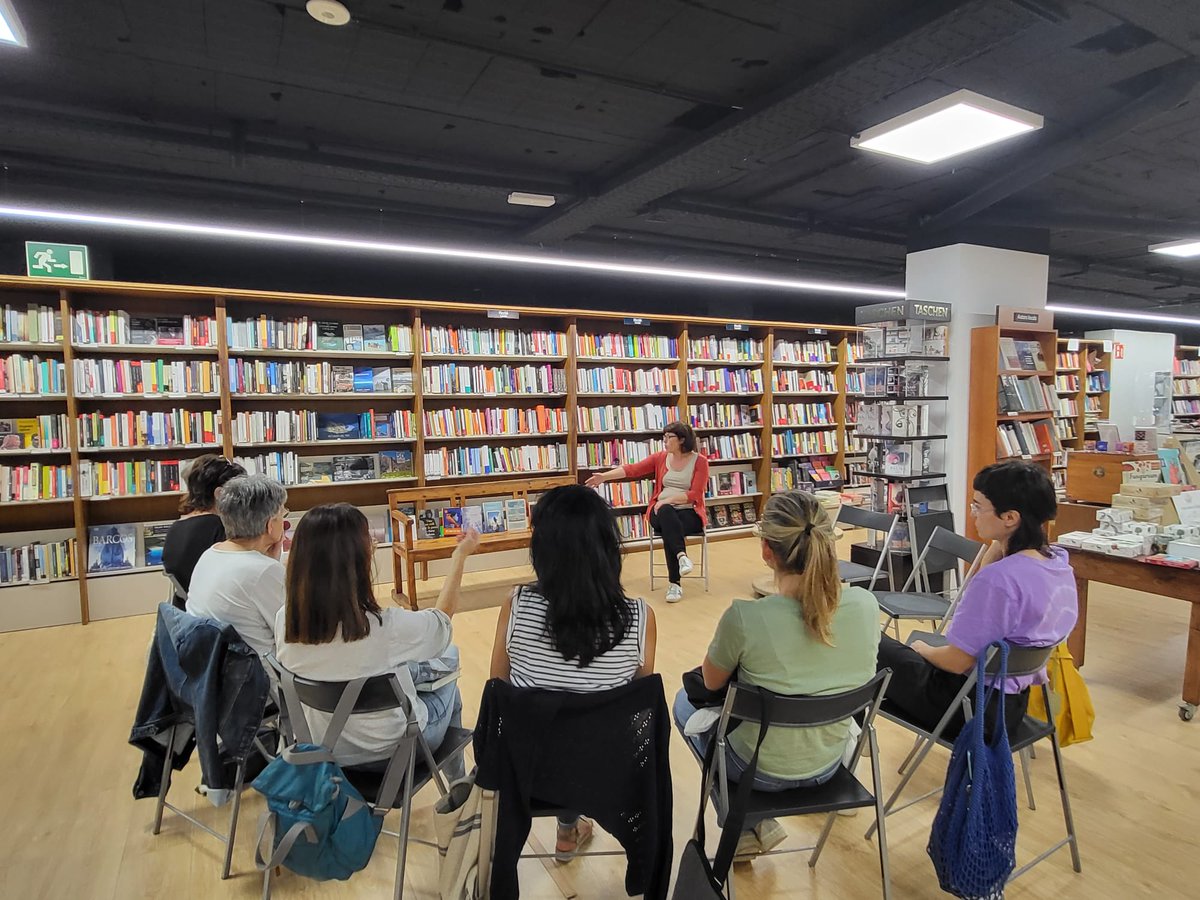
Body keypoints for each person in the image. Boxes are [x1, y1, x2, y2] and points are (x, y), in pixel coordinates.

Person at [673, 490, 880, 860]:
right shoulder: (866, 605)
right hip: (829, 763)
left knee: (683, 706)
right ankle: (751, 825)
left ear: (767, 551)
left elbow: (709, 683)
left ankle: (746, 823)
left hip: (756, 770)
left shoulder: (746, 617)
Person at [485, 484, 658, 863]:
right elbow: (637, 706)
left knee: (552, 725)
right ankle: (570, 827)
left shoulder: (515, 606)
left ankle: (567, 828)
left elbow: (498, 689)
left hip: (528, 772)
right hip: (607, 770)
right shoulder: (641, 618)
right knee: (585, 727)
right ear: (609, 549)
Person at [876, 460, 1079, 741]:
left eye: (978, 506)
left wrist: (921, 649)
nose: (973, 514)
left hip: (967, 707)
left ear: (1010, 517)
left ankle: (851, 736)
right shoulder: (1058, 564)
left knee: (871, 641)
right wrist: (1000, 543)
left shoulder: (1000, 580)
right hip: (1013, 703)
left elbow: (956, 661)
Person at [275, 503, 476, 770]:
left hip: (321, 749)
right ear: (357, 560)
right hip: (394, 752)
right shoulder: (385, 626)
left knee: (419, 666)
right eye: (368, 539)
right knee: (451, 667)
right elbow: (442, 622)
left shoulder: (285, 621)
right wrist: (459, 557)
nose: (373, 542)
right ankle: (459, 781)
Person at [586, 421, 709, 603]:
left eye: (669, 437)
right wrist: (604, 477)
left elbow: (695, 494)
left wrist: (668, 499)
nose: (664, 441)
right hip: (660, 512)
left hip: (689, 513)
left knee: (670, 528)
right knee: (667, 515)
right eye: (664, 437)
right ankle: (681, 558)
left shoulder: (700, 461)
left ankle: (675, 582)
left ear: (682, 439)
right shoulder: (660, 457)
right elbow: (633, 469)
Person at [186, 474, 288, 661]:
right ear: (270, 525)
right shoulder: (262, 572)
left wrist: (270, 562)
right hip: (259, 679)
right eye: (283, 514)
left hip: (210, 671)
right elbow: (292, 632)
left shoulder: (210, 554)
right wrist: (272, 566)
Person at [162, 455, 246, 599]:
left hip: (187, 607)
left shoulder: (176, 527)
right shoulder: (219, 528)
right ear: (220, 494)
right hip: (215, 609)